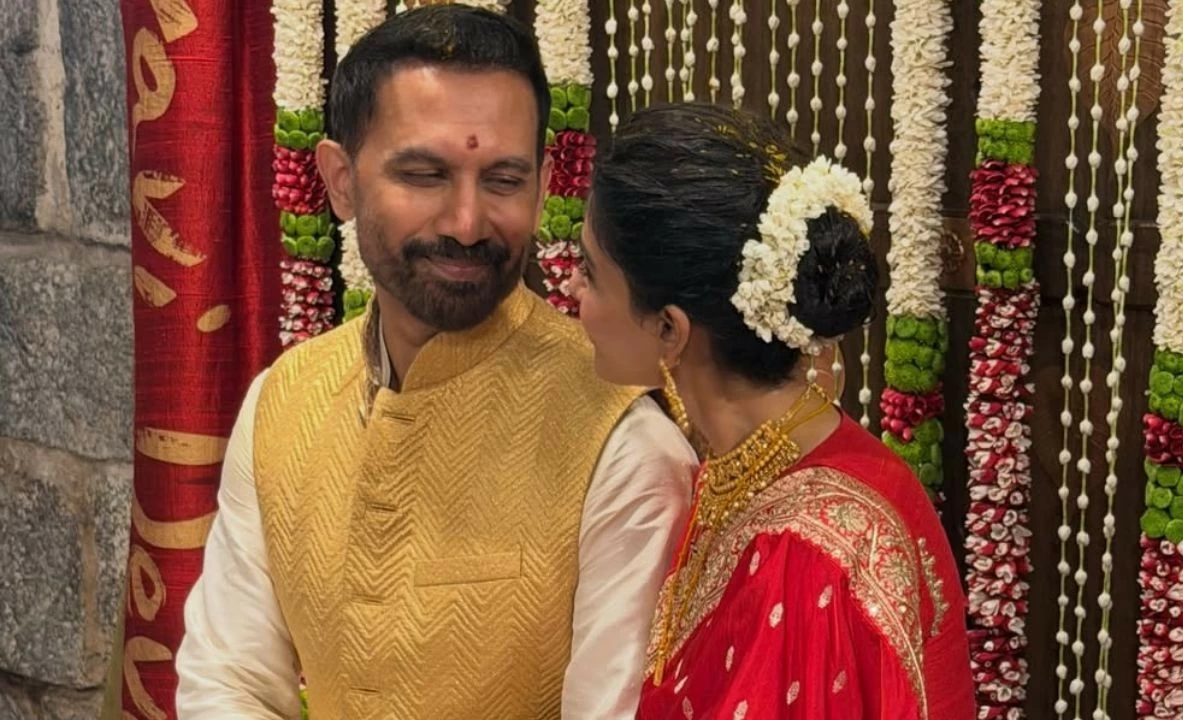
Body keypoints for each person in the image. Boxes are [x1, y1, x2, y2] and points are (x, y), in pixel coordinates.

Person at [174, 7, 697, 719]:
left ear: (545, 183)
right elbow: (226, 680)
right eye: (424, 174)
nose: (465, 222)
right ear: (339, 180)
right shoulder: (282, 403)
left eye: (504, 180)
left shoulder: (624, 445)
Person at [566, 102, 975, 719]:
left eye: (590, 274)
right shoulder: (753, 465)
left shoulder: (809, 548)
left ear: (671, 331)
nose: (572, 292)